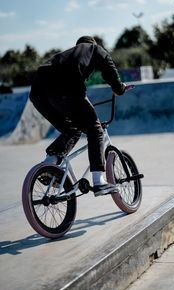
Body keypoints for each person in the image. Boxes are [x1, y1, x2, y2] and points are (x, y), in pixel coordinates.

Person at [29, 36, 126, 197]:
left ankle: (48, 165)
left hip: (39, 90)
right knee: (95, 130)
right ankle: (99, 181)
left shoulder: (68, 54)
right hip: (67, 87)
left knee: (72, 130)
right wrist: (119, 88)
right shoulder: (94, 49)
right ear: (92, 44)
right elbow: (109, 65)